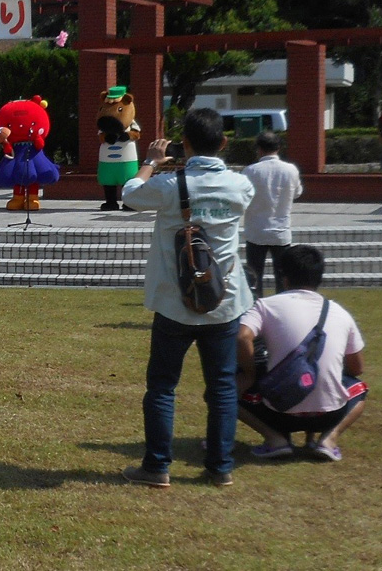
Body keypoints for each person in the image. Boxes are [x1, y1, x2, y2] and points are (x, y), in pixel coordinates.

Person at [119, 108, 256, 488]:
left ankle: (157, 466)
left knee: (163, 386)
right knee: (222, 386)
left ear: (185, 143)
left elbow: (129, 195)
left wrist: (151, 162)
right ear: (224, 142)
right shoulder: (240, 185)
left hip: (174, 301)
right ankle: (220, 466)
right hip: (224, 301)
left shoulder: (168, 185)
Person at [237, 245, 367, 462]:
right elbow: (357, 368)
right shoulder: (340, 312)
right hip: (328, 414)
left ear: (284, 277)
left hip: (278, 413)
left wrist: (249, 375)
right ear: (319, 278)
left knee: (226, 389)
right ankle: (329, 438)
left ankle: (275, 439)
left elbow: (242, 337)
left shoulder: (266, 306)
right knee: (359, 388)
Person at [241, 131, 304, 298]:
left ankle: (255, 309)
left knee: (254, 280)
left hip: (256, 232)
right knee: (283, 279)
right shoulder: (291, 170)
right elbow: (297, 192)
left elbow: (242, 197)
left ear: (259, 149)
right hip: (281, 231)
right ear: (279, 148)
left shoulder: (249, 171)